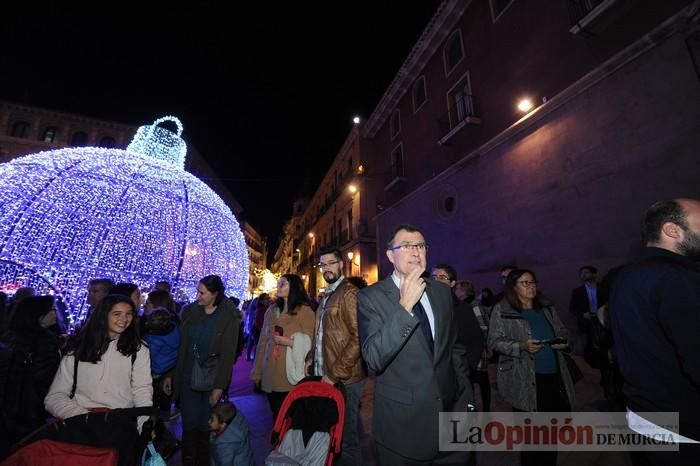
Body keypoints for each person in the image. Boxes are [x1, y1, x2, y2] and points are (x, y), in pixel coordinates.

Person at [358, 224, 473, 465]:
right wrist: (404, 308)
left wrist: (465, 395)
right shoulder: (370, 297)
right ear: (390, 255)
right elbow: (373, 357)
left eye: (420, 246)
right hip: (403, 426)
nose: (416, 251)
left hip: (451, 418)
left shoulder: (441, 292)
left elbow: (455, 347)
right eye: (406, 246)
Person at [610, 199, 700, 465]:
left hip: (647, 415)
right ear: (673, 230)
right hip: (684, 423)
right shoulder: (678, 277)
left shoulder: (627, 275)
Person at [44, 294, 152, 464]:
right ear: (103, 315)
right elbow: (54, 397)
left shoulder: (139, 349)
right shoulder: (78, 348)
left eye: (129, 313)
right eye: (117, 314)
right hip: (79, 427)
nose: (124, 319)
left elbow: (142, 388)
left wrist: (144, 425)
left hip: (119, 428)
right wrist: (85, 417)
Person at [488, 268, 575, 466]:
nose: (531, 286)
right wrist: (521, 346)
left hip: (553, 377)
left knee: (551, 432)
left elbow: (563, 331)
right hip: (524, 380)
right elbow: (494, 342)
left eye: (533, 282)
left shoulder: (546, 308)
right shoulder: (503, 309)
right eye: (525, 283)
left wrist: (564, 342)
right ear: (513, 287)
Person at [165, 275, 240, 466]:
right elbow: (180, 347)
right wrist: (171, 374)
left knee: (206, 423)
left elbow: (228, 354)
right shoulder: (190, 312)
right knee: (189, 422)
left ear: (215, 294)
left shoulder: (228, 317)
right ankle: (189, 461)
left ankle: (204, 461)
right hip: (188, 375)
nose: (197, 296)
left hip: (211, 378)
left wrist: (219, 386)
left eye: (202, 292)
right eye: (198, 291)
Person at [309, 247, 366, 466]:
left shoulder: (349, 292)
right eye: (322, 265)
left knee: (348, 436)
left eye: (331, 263)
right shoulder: (327, 295)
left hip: (346, 378)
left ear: (341, 264)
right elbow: (323, 333)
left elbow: (359, 336)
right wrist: (310, 357)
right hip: (327, 374)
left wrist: (335, 374)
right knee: (335, 431)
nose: (326, 268)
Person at [251, 274, 315, 420]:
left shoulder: (305, 311)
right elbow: (262, 342)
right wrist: (257, 371)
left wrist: (289, 341)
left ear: (294, 287)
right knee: (276, 417)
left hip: (290, 374)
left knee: (289, 419)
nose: (278, 287)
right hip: (269, 372)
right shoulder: (271, 310)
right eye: (278, 284)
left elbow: (311, 342)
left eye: (283, 284)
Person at [1, 296, 61, 447]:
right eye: (52, 310)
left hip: (8, 405)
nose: (55, 313)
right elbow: (45, 376)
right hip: (30, 407)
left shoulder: (9, 335)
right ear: (39, 314)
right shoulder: (45, 339)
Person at [453, 279, 492, 411]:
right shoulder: (462, 305)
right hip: (471, 353)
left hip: (478, 354)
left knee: (481, 384)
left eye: (457, 288)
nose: (455, 290)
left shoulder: (474, 305)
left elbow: (484, 328)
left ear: (464, 291)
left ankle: (484, 412)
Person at [143, 308, 181, 416]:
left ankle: (154, 416)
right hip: (170, 365)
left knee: (153, 394)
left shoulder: (155, 340)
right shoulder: (175, 329)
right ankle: (165, 412)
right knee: (165, 395)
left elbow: (148, 355)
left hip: (156, 367)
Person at [208, 401, 255, 466]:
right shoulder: (233, 418)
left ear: (223, 424)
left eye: (212, 420)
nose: (208, 421)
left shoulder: (225, 447)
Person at [568, 265, 598, 354]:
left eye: (586, 272)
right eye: (581, 274)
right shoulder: (577, 291)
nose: (583, 275)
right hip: (585, 323)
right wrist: (583, 315)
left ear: (594, 274)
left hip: (602, 321)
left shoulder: (602, 288)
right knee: (588, 347)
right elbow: (572, 309)